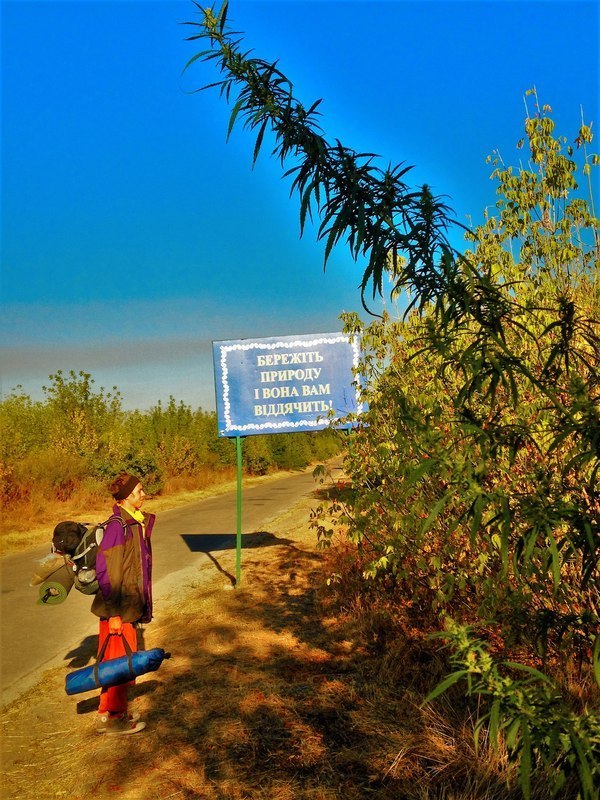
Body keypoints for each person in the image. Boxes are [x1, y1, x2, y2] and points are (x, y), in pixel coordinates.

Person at [91, 472, 155, 735]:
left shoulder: (133, 522)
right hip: (118, 607)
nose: (143, 494)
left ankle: (107, 711)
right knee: (120, 665)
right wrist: (114, 613)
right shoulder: (118, 526)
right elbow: (106, 571)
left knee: (113, 662)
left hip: (126, 605)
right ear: (127, 496)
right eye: (139, 490)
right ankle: (116, 719)